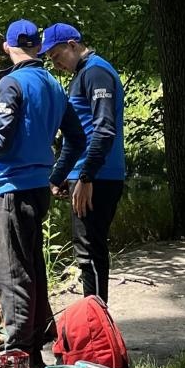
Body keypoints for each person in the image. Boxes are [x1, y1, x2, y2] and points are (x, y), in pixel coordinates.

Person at [0, 19, 85, 368]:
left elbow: (0, 142)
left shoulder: (11, 83)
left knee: (12, 272)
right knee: (32, 268)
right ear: (37, 47)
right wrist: (56, 176)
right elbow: (76, 140)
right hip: (37, 189)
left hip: (13, 190)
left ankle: (18, 357)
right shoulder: (54, 85)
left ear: (7, 47)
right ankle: (34, 350)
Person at [41, 23, 125, 303]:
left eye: (56, 55)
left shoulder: (96, 72)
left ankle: (98, 328)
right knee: (86, 251)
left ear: (73, 44)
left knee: (91, 253)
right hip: (87, 175)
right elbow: (75, 137)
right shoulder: (82, 74)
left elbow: (103, 129)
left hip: (98, 177)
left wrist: (87, 176)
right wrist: (58, 176)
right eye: (51, 59)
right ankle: (96, 323)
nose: (56, 64)